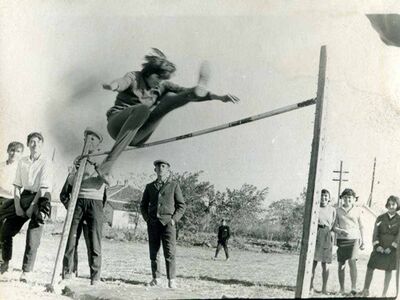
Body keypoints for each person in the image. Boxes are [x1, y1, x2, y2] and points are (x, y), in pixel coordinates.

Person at [97, 48, 240, 183]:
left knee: (169, 98)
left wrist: (218, 97)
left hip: (138, 135)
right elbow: (122, 82)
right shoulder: (134, 77)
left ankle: (198, 89)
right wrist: (113, 85)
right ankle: (107, 166)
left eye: (162, 80)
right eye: (158, 78)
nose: (159, 82)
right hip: (117, 124)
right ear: (149, 72)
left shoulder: (162, 85)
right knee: (142, 110)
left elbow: (183, 91)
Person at [0, 132, 52, 282]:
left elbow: (43, 188)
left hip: (41, 197)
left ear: (42, 144)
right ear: (28, 144)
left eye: (37, 142)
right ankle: (4, 263)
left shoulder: (46, 162)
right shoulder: (22, 161)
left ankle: (26, 271)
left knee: (32, 237)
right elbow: (17, 186)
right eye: (31, 142)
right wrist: (17, 206)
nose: (34, 145)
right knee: (5, 230)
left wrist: (32, 207)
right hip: (24, 196)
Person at [62, 128, 107, 285]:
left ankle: (95, 277)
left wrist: (95, 165)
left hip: (95, 201)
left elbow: (110, 181)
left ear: (98, 143)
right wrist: (74, 171)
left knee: (94, 240)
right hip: (77, 200)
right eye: (86, 139)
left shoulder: (105, 158)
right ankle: (67, 272)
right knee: (71, 237)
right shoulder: (78, 159)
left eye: (92, 139)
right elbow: (70, 182)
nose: (88, 142)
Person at [140, 159, 185, 288]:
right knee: (153, 252)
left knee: (169, 252)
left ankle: (172, 280)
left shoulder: (174, 185)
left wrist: (173, 219)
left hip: (168, 224)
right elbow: (143, 205)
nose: (160, 169)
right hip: (153, 224)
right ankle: (156, 279)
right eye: (158, 167)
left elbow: (181, 205)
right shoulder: (149, 186)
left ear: (168, 170)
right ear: (155, 170)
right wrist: (147, 218)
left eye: (163, 166)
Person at [361, 195, 400, 297]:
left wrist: (391, 248)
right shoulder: (380, 218)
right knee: (370, 266)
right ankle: (365, 290)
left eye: (393, 204)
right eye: (389, 204)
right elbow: (375, 233)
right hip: (379, 248)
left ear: (397, 206)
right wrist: (377, 246)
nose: (391, 206)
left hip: (391, 249)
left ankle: (384, 293)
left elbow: (399, 236)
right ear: (386, 205)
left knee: (389, 270)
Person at [333, 188, 365, 296]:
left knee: (352, 261)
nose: (347, 199)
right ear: (342, 198)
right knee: (341, 264)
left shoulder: (358, 210)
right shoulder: (337, 210)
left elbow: (361, 227)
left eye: (350, 197)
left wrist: (363, 241)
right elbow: (333, 227)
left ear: (354, 199)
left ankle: (353, 288)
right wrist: (340, 231)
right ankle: (341, 289)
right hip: (341, 240)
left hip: (354, 239)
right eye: (345, 197)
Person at [0, 142, 24, 263]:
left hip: (12, 201)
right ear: (8, 150)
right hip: (0, 198)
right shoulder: (1, 166)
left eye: (18, 151)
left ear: (21, 154)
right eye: (12, 150)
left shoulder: (21, 168)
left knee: (5, 232)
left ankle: (5, 261)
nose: (14, 153)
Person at [310, 189, 336, 295]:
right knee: (313, 262)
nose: (323, 198)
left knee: (325, 264)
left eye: (326, 196)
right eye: (321, 196)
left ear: (329, 198)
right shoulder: (315, 208)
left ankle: (324, 288)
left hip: (327, 235)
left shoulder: (333, 210)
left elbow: (333, 225)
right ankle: (310, 286)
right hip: (316, 234)